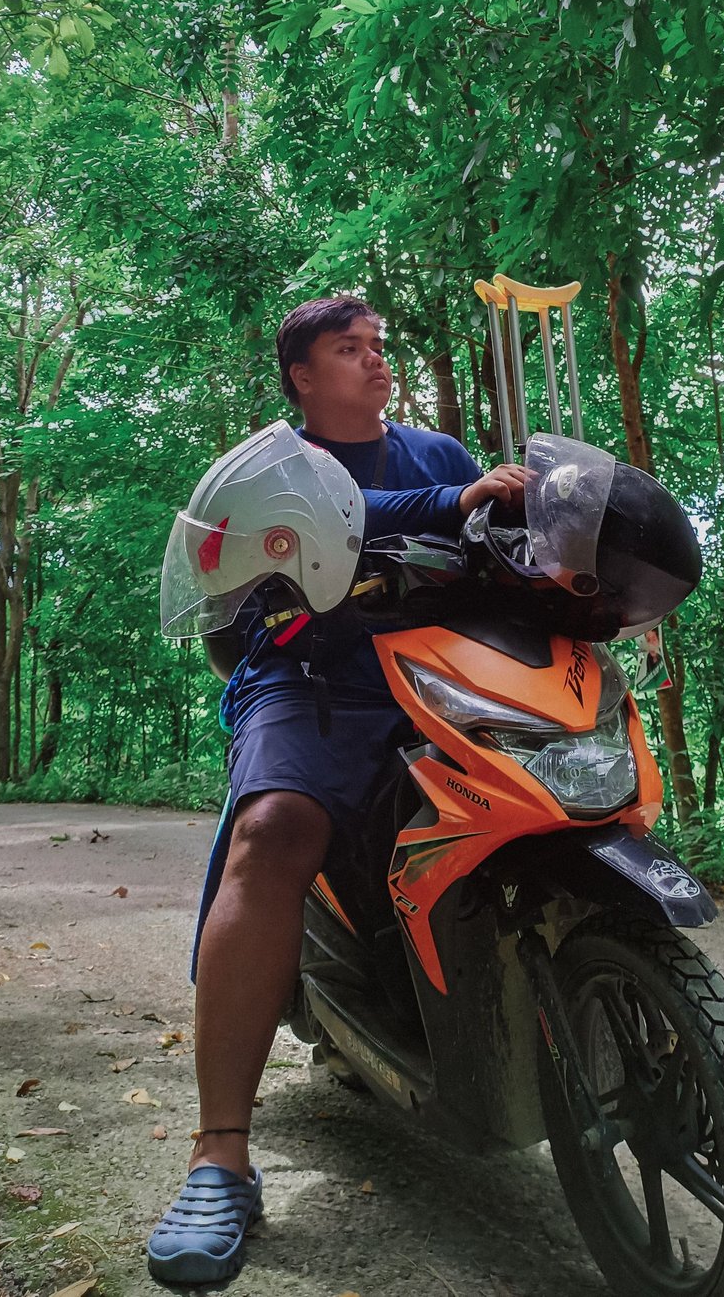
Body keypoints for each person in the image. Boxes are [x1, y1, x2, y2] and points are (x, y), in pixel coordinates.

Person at [147, 294, 526, 1286]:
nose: (373, 362)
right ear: (300, 377)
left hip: (448, 673)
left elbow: (505, 547)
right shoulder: (271, 467)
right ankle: (220, 1153)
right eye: (345, 350)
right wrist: (463, 502)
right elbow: (291, 559)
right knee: (271, 831)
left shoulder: (441, 454)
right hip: (308, 681)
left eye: (377, 346)